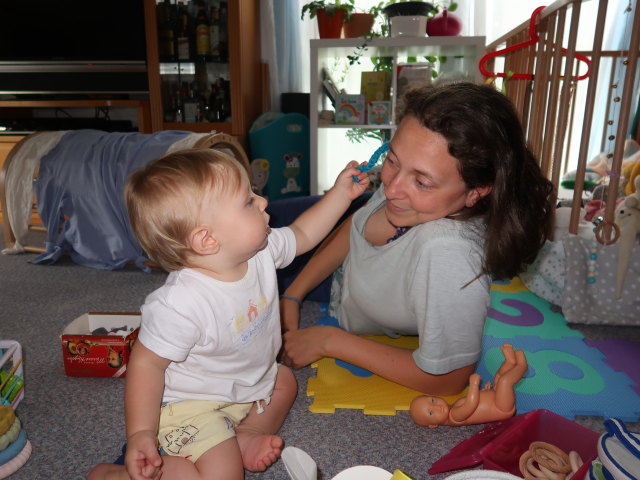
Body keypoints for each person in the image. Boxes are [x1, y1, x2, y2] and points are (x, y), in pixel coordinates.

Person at [87, 149, 369, 480]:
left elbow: (303, 234)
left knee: (285, 381)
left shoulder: (260, 249)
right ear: (207, 239)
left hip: (247, 385)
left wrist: (340, 195)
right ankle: (114, 475)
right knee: (224, 474)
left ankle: (245, 434)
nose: (263, 201)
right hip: (192, 406)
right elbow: (147, 364)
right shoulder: (179, 303)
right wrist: (139, 434)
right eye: (248, 201)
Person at [280, 82, 554, 397]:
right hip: (336, 263)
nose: (391, 188)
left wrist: (329, 341)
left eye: (422, 182)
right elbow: (357, 225)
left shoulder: (448, 254)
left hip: (341, 294)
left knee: (228, 240)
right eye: (392, 159)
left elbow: (448, 380)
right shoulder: (410, 186)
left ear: (477, 191)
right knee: (233, 216)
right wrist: (293, 294)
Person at [409, 344, 528, 427]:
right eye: (431, 412)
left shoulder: (453, 407)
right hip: (502, 407)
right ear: (433, 425)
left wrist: (484, 392)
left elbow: (478, 403)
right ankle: (522, 367)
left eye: (433, 401)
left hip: (495, 397)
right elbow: (471, 405)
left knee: (498, 378)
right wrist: (473, 385)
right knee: (504, 382)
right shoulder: (454, 417)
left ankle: (510, 362)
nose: (436, 407)